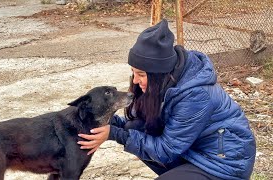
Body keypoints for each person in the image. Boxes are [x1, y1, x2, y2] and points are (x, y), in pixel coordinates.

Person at [77, 19, 256, 180]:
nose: (136, 80)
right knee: (135, 127)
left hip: (224, 164)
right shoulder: (164, 81)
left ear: (158, 73)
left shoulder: (196, 95)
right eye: (133, 72)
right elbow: (137, 124)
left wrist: (114, 134)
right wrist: (102, 122)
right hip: (193, 152)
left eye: (141, 74)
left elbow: (166, 150)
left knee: (135, 137)